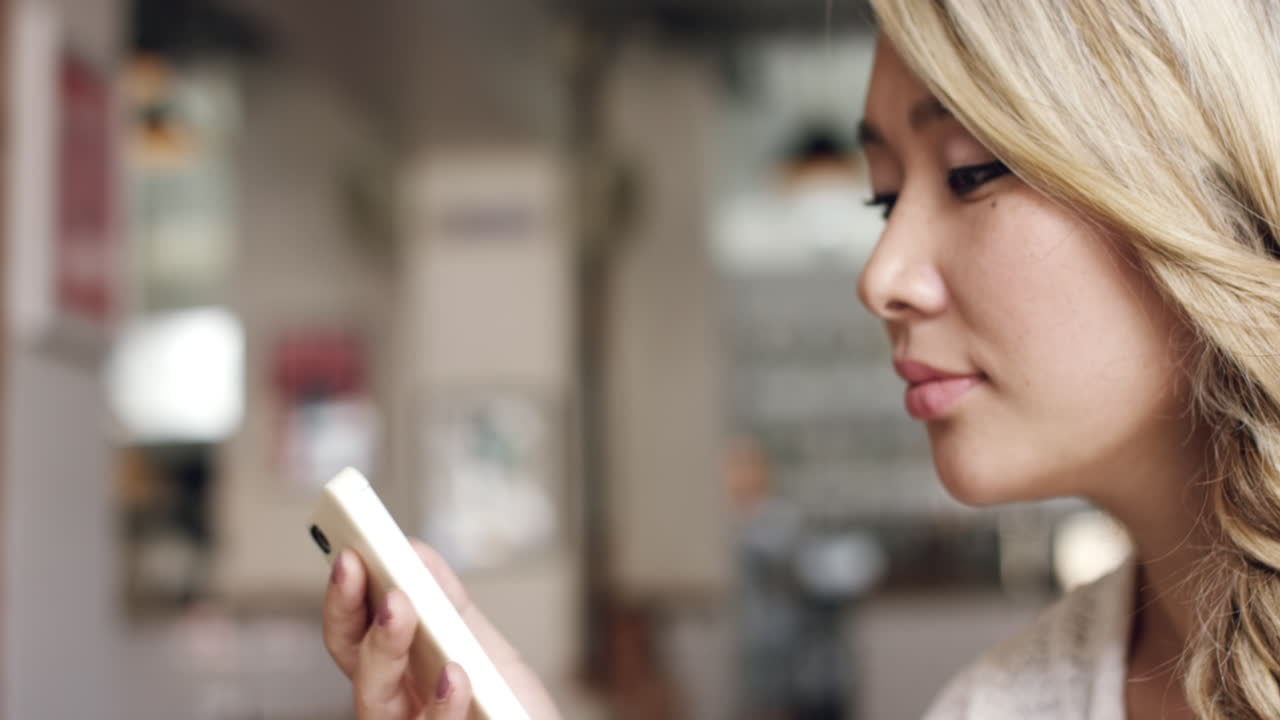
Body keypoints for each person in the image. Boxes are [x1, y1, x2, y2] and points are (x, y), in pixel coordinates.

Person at [323, 1, 1280, 718]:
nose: (882, 275)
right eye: (883, 197)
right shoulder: (1005, 704)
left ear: (1199, 184)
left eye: (972, 171)